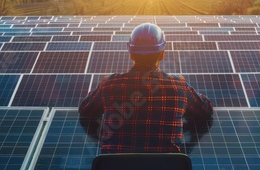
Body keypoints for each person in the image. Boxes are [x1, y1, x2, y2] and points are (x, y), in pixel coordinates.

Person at [79, 23, 214, 154]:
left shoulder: (109, 84)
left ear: (131, 54)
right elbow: (206, 110)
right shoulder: (179, 86)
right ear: (162, 54)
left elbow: (84, 109)